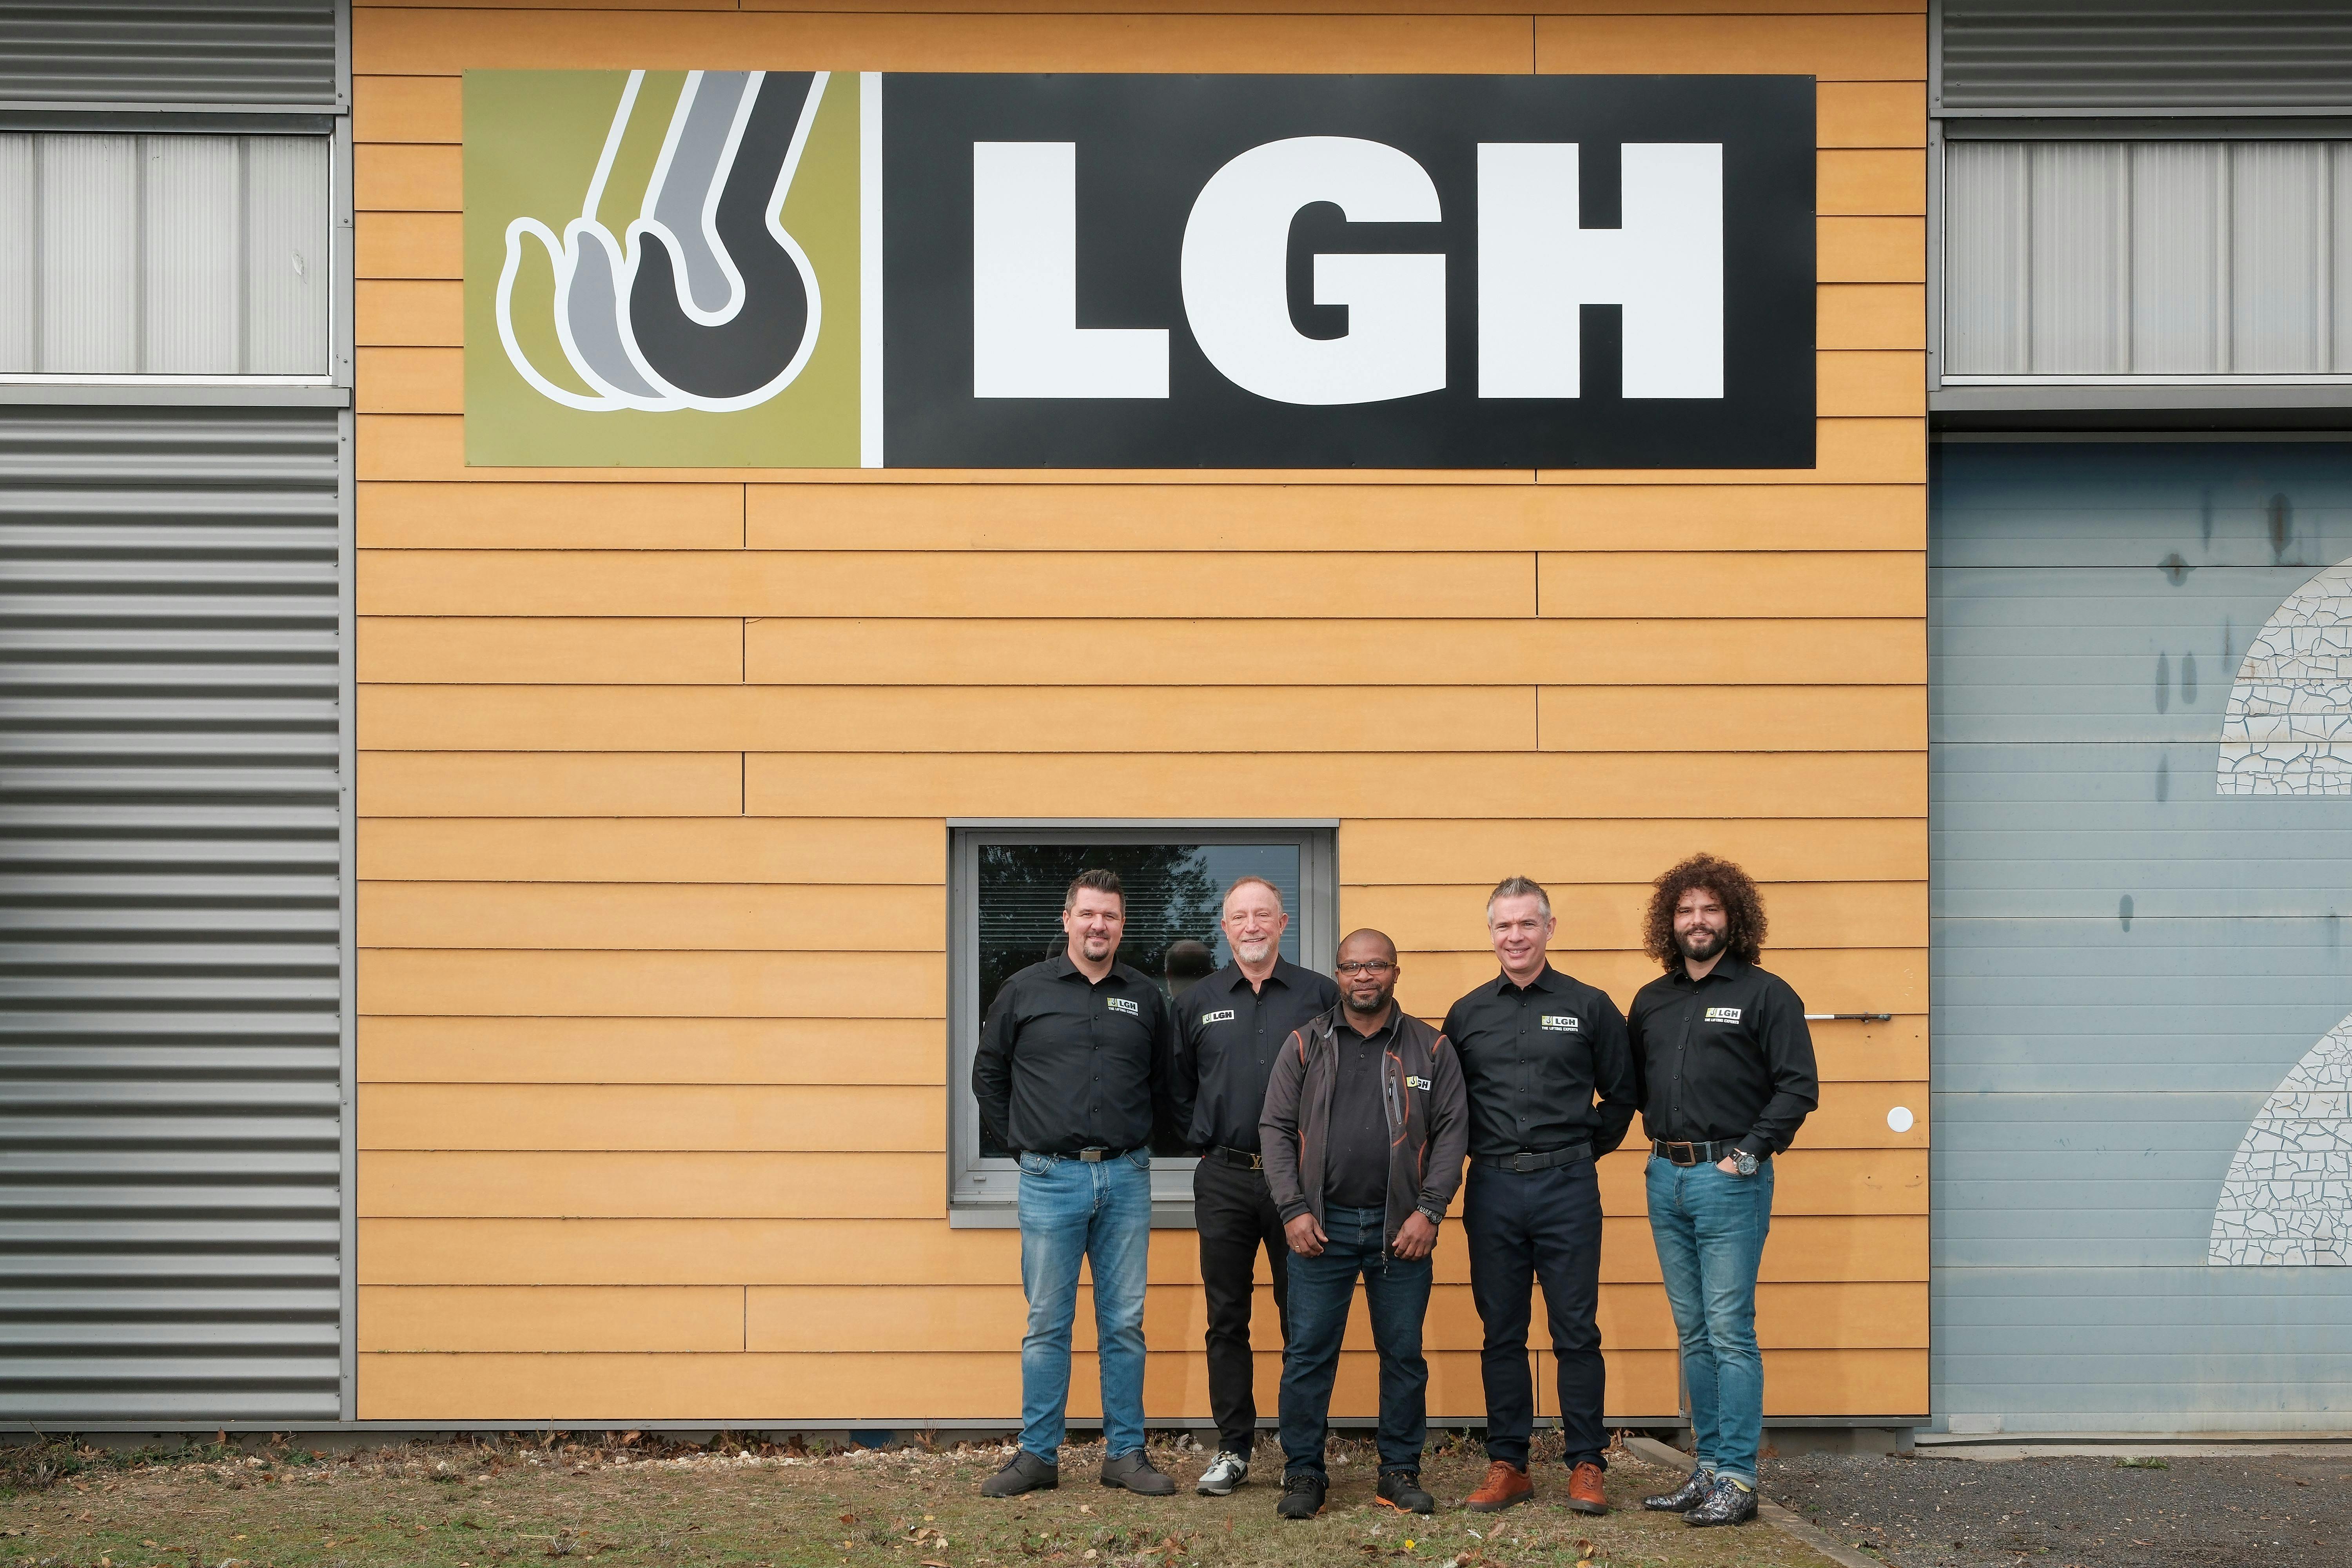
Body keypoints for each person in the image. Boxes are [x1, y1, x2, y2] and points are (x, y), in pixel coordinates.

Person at [972, 869, 1180, 1499]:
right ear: (1066, 920)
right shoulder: (1022, 991)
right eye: (1089, 914)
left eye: (1111, 917)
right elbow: (989, 1075)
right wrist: (1024, 1147)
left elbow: (1166, 1085)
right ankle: (1038, 1455)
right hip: (1050, 1180)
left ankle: (1125, 1455)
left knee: (1123, 1323)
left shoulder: (1145, 997)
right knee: (1047, 1324)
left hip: (1125, 1176)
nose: (1099, 926)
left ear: (1122, 926)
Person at [1626, 855, 1818, 1528]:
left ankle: (1738, 1477)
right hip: (1665, 1177)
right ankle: (1705, 1470)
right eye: (1685, 910)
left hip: (1729, 1181)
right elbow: (1635, 1087)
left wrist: (1749, 1154)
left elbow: (1798, 1087)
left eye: (1709, 909)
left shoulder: (1768, 994)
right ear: (1669, 922)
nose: (1697, 921)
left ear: (1733, 918)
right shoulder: (1653, 999)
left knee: (1731, 1330)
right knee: (1694, 1331)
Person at [1443, 876, 1639, 1515]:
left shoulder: (1591, 1006)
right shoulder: (1467, 1014)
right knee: (1501, 1331)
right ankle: (1510, 1464)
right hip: (1494, 1185)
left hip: (1567, 1188)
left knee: (1575, 1331)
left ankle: (1586, 1462)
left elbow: (1623, 1095)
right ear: (1491, 933)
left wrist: (1581, 1153)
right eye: (1504, 926)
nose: (1516, 936)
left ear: (1550, 929)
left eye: (1528, 924)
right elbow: (1448, 1109)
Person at [1259, 929, 1467, 1521]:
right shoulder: (1305, 1044)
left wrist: (1429, 1211)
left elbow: (1454, 1132)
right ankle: (1303, 1472)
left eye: (1376, 965)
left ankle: (1399, 1471)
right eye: (1352, 967)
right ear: (1339, 974)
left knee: (1403, 1354)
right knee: (1307, 1356)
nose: (1364, 977)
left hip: (1401, 1232)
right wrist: (1293, 1210)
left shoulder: (1432, 1048)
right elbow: (1274, 1127)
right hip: (1320, 1231)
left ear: (1396, 972)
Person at [1169, 877, 1339, 1497]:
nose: (1251, 926)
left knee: (1304, 1317)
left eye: (1262, 915)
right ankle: (1234, 1449)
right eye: (1239, 916)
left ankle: (1303, 1452)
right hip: (1225, 1179)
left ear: (1283, 923)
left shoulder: (1322, 996)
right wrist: (1206, 1135)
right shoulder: (1196, 1001)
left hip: (1301, 1181)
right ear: (1225, 928)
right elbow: (1177, 1088)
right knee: (1227, 1318)